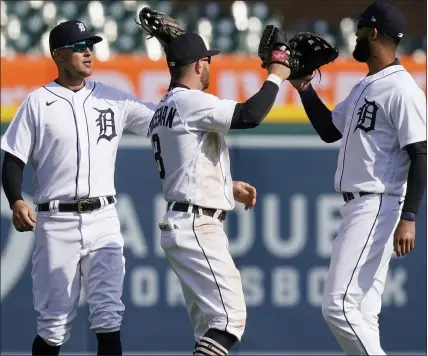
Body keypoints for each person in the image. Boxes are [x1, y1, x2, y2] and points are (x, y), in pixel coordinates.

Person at [1, 20, 157, 356]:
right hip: (56, 223)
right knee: (53, 325)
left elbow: (161, 122)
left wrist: (178, 65)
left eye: (91, 44)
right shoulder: (37, 102)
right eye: (79, 46)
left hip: (103, 219)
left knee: (108, 316)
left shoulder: (112, 96)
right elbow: (13, 160)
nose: (88, 51)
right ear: (58, 54)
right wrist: (15, 199)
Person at [288, 1, 427, 355]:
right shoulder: (367, 84)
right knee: (363, 312)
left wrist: (409, 217)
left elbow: (421, 153)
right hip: (361, 206)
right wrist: (304, 88)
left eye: (362, 27)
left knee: (338, 306)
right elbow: (329, 130)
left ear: (375, 33)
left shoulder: (402, 89)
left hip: (378, 204)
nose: (356, 32)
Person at [146, 32, 290, 356]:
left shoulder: (164, 108)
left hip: (184, 219)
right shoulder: (189, 101)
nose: (210, 67)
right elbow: (249, 115)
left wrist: (226, 185)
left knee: (210, 329)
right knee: (230, 320)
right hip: (197, 225)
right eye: (208, 60)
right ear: (199, 65)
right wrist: (276, 75)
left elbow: (188, 162)